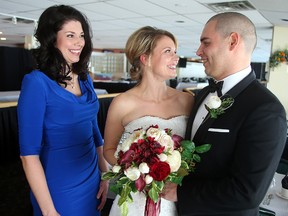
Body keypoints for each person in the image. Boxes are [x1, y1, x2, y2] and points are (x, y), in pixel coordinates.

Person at [162, 12, 287, 216]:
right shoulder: (203, 93)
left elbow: (247, 193)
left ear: (233, 41)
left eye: (206, 43)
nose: (199, 51)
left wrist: (182, 192)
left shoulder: (266, 110)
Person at [17, 5, 109, 216]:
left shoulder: (85, 79)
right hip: (59, 187)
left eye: (82, 35)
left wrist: (104, 175)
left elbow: (95, 132)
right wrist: (49, 211)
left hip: (92, 178)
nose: (79, 42)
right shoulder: (36, 83)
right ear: (52, 39)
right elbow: (28, 155)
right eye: (70, 35)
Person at [103, 26, 194, 215]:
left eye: (175, 52)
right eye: (168, 51)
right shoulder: (122, 103)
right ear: (146, 59)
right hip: (136, 198)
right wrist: (137, 170)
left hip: (177, 198)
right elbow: (109, 150)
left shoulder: (187, 100)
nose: (176, 58)